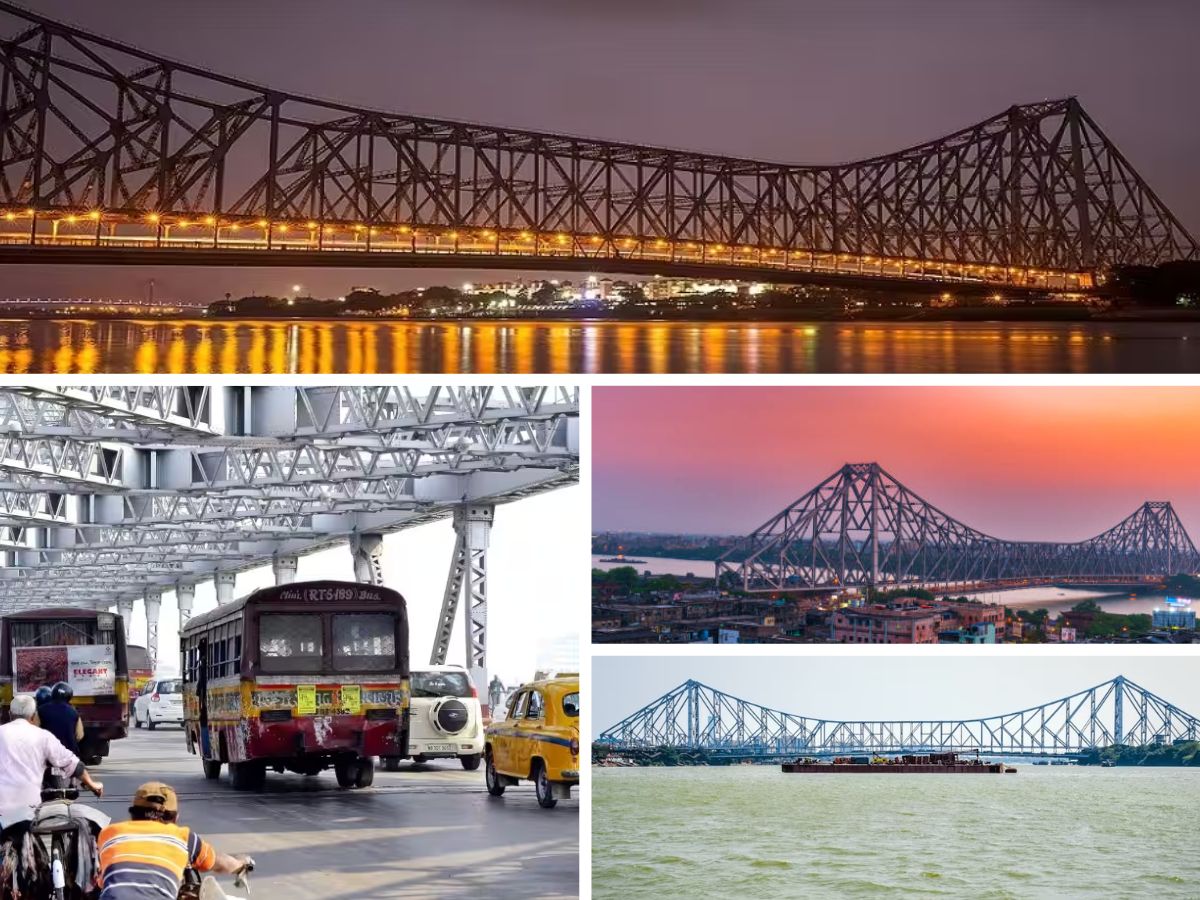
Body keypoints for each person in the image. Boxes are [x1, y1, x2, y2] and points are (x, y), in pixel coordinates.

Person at [97, 782, 252, 900]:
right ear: (175, 818)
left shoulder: (109, 833)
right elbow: (221, 863)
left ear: (132, 814)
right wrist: (241, 864)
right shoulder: (184, 837)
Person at [0, 694, 103, 810]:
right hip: (29, 807)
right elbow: (73, 764)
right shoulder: (43, 736)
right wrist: (92, 785)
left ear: (10, 715)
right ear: (33, 716)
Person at [37, 680, 85, 755]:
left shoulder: (40, 710)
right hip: (69, 754)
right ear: (69, 696)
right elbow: (79, 735)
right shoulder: (74, 712)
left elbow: (34, 730)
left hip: (47, 753)